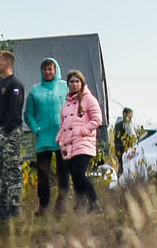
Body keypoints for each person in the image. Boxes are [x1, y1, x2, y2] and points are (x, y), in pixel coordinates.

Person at [0, 50, 29, 219]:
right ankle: (1, 207)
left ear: (8, 62)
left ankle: (14, 207)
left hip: (8, 131)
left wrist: (7, 129)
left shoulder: (14, 84)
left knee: (11, 169)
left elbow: (15, 109)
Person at [54, 68, 105, 209]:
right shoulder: (66, 104)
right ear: (68, 84)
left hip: (83, 142)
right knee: (75, 176)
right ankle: (81, 204)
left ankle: (94, 202)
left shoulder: (89, 99)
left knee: (79, 173)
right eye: (72, 81)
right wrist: (59, 138)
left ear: (82, 83)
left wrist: (82, 131)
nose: (74, 84)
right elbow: (63, 124)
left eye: (77, 81)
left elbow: (97, 119)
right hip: (68, 144)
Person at [26, 58, 66, 212]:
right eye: (45, 69)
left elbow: (74, 106)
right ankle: (44, 205)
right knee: (43, 172)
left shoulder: (65, 86)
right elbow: (28, 113)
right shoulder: (35, 90)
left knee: (63, 171)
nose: (48, 72)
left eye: (50, 69)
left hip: (62, 136)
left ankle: (62, 204)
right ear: (41, 71)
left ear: (56, 70)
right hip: (43, 137)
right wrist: (36, 129)